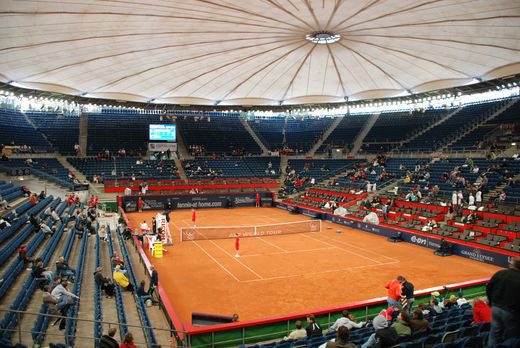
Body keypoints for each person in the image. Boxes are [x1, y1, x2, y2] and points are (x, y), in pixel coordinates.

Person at [487, 257, 520, 346]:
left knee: (494, 335)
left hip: (496, 308)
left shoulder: (500, 273)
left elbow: (489, 288)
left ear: (511, 265)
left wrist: (491, 303)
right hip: (511, 312)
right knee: (512, 338)